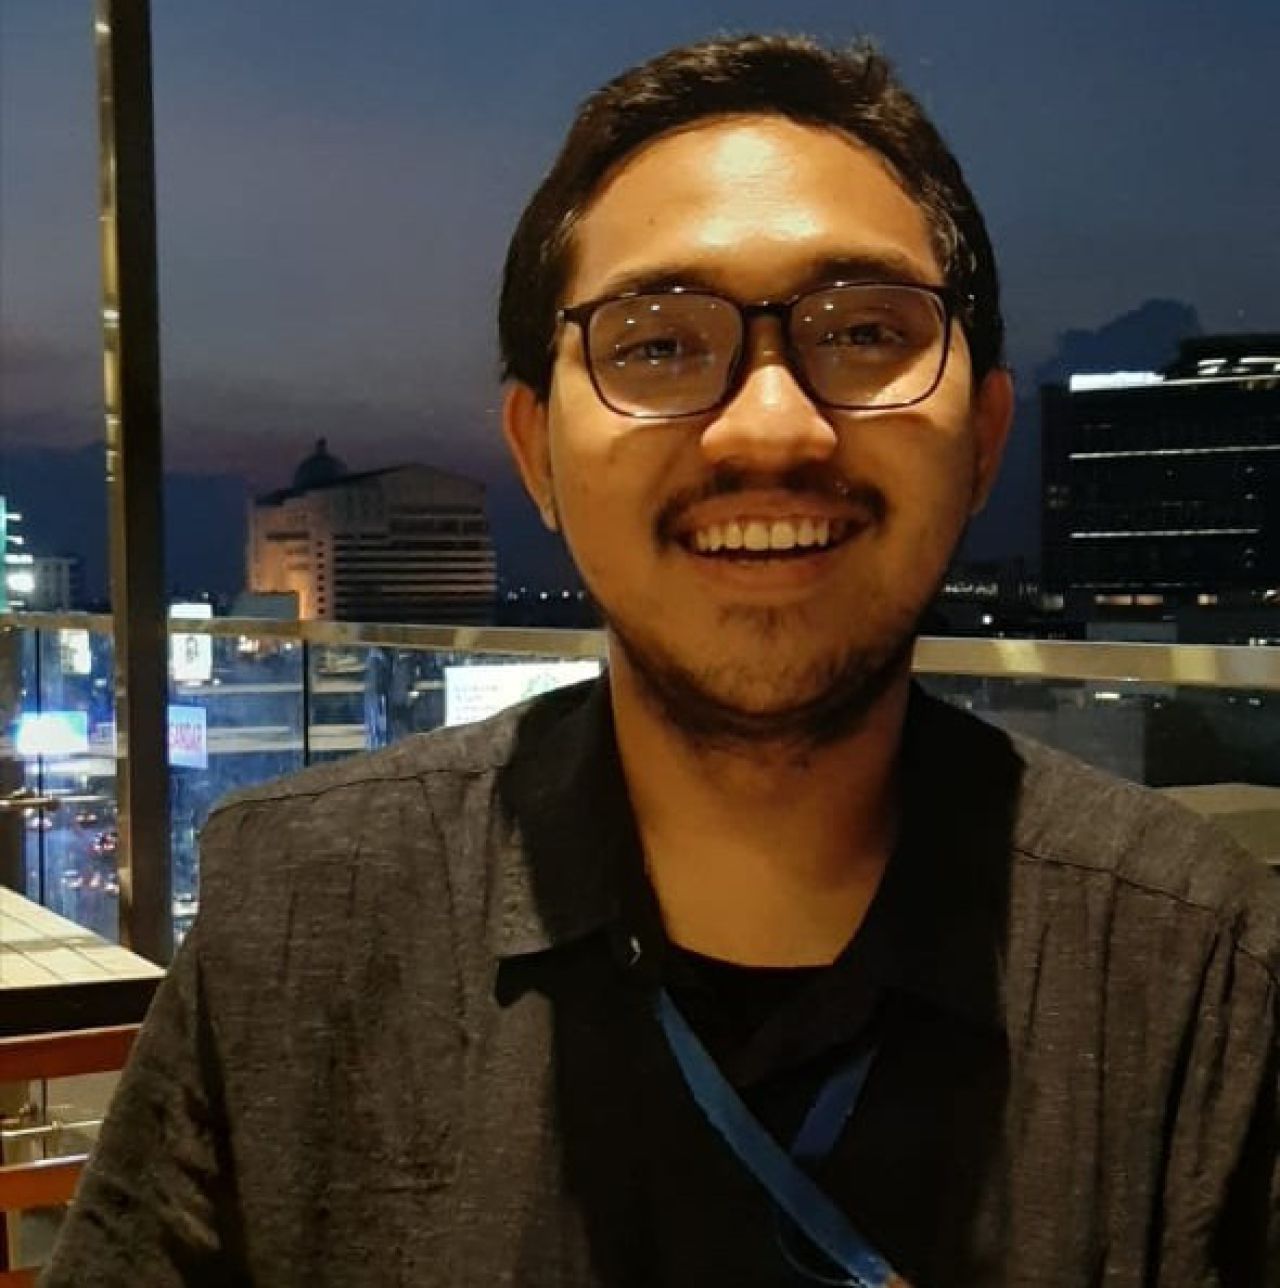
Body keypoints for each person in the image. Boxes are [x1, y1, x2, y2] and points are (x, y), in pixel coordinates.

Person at [44, 33, 1277, 1287]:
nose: (770, 425)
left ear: (984, 439)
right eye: (654, 344)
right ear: (535, 452)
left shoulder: (1190, 969)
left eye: (863, 330)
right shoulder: (306, 912)